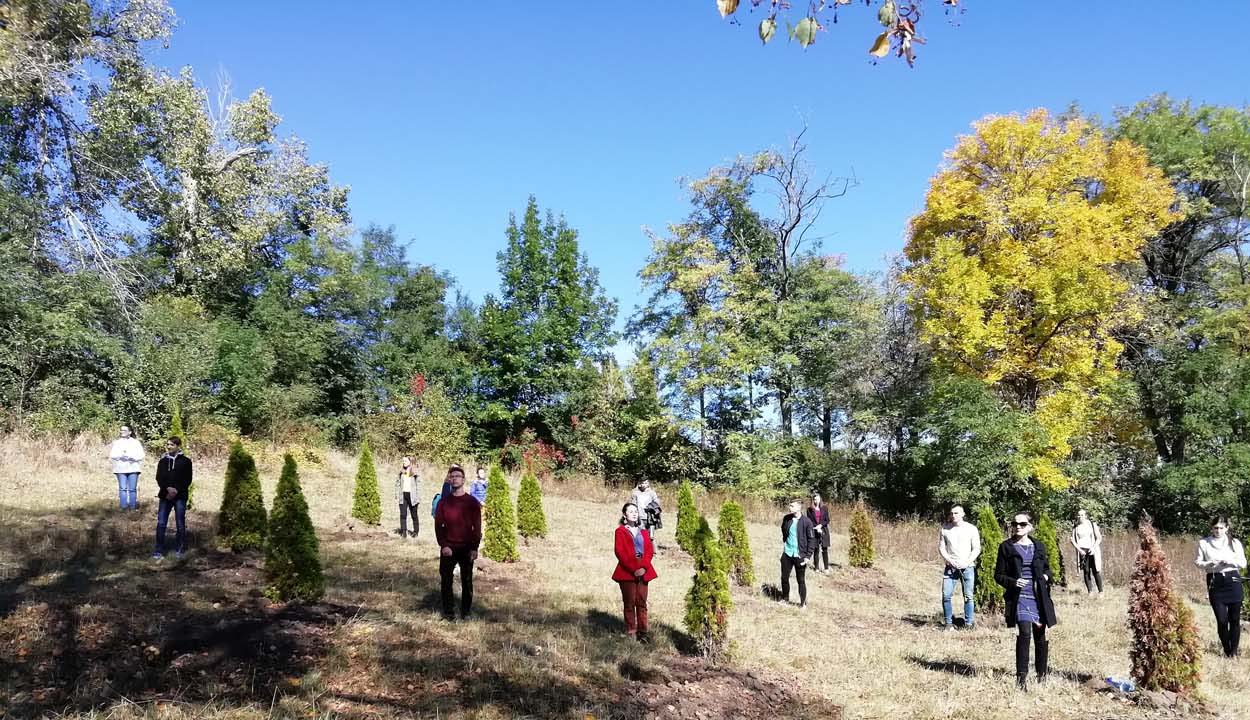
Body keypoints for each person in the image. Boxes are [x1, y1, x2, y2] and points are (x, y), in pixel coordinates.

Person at [994, 512, 1057, 691]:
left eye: (1022, 524)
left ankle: (1041, 676)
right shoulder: (1006, 547)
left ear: (1030, 526)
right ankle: (1021, 680)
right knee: (1024, 632)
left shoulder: (1039, 546)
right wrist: (1014, 582)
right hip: (1019, 597)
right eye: (1015, 523)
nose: (1018, 527)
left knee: (1040, 635)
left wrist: (1046, 576)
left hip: (1038, 596)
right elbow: (998, 575)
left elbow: (1047, 570)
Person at [434, 464, 481, 620]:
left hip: (467, 547)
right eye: (452, 476)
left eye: (457, 476)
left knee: (467, 581)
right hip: (449, 547)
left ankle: (466, 612)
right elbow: (438, 526)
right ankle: (448, 612)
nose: (454, 479)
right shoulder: (443, 503)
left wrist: (474, 548)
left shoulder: (472, 502)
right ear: (449, 480)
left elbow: (477, 527)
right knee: (446, 581)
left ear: (463, 479)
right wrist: (443, 545)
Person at [1195, 516, 1247, 658]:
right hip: (1215, 580)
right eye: (1215, 528)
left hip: (1233, 579)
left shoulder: (1234, 543)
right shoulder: (1203, 543)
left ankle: (1233, 652)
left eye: (1221, 528)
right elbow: (1198, 562)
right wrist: (1209, 563)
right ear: (1211, 528)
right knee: (1222, 620)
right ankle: (1227, 648)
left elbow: (1243, 563)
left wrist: (1230, 561)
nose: (1218, 530)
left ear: (1226, 528)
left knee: (1234, 619)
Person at [612, 502, 658, 641]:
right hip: (627, 572)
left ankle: (643, 632)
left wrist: (643, 568)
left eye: (635, 511)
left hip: (644, 571)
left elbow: (649, 551)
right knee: (629, 603)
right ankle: (631, 631)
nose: (634, 513)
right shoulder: (620, 531)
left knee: (642, 602)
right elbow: (620, 552)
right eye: (630, 511)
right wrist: (634, 569)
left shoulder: (643, 532)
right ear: (625, 515)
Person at [939, 504, 982, 630]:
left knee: (968, 596)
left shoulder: (971, 529)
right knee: (946, 595)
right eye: (952, 513)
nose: (954, 515)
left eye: (957, 513)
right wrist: (949, 560)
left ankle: (969, 624)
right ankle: (948, 623)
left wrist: (967, 562)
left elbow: (976, 548)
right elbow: (941, 547)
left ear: (963, 514)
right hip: (950, 567)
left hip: (967, 567)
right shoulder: (945, 528)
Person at [152, 436, 193, 560]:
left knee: (180, 523)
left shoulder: (186, 461)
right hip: (165, 496)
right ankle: (159, 550)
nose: (169, 446)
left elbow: (187, 479)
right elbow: (159, 477)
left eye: (171, 445)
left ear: (178, 446)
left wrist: (176, 490)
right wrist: (167, 489)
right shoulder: (163, 461)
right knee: (161, 523)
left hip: (180, 496)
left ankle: (179, 549)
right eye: (168, 444)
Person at [780, 499, 815, 609]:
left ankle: (802, 603)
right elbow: (783, 530)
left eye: (792, 506)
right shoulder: (787, 519)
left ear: (799, 507)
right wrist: (786, 543)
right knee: (784, 577)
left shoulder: (807, 522)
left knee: (800, 580)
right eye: (790, 506)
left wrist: (807, 556)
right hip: (788, 553)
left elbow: (811, 540)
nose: (790, 508)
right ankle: (785, 598)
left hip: (800, 555)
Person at [108, 425, 146, 512]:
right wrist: (120, 456)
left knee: (132, 489)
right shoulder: (117, 442)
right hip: (120, 468)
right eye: (121, 430)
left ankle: (132, 507)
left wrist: (132, 457)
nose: (122, 432)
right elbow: (112, 455)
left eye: (125, 430)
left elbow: (141, 455)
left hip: (133, 468)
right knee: (122, 488)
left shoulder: (136, 442)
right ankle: (123, 507)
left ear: (130, 432)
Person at [1069, 509, 1104, 596]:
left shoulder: (1092, 525)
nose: (1080, 517)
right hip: (1082, 551)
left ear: (1086, 516)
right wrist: (1079, 549)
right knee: (1086, 571)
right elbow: (1072, 539)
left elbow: (1099, 538)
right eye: (1079, 515)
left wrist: (1093, 547)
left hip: (1092, 549)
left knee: (1096, 570)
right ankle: (1090, 591)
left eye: (1082, 515)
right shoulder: (1076, 527)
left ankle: (1101, 591)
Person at [396, 456, 420, 539]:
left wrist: (418, 497)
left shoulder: (415, 472)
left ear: (410, 461)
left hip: (412, 496)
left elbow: (419, 485)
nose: (404, 462)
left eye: (405, 461)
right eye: (403, 461)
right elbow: (397, 483)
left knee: (414, 514)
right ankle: (403, 532)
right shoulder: (401, 472)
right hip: (403, 495)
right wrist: (397, 494)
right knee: (403, 514)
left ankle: (416, 531)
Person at [807, 493, 831, 572]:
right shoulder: (809, 509)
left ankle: (826, 568)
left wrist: (820, 525)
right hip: (814, 530)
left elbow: (827, 520)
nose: (816, 501)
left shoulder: (824, 508)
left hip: (823, 530)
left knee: (825, 549)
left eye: (817, 499)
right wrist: (816, 527)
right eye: (815, 499)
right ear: (813, 500)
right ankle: (816, 567)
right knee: (816, 549)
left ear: (820, 499)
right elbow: (809, 521)